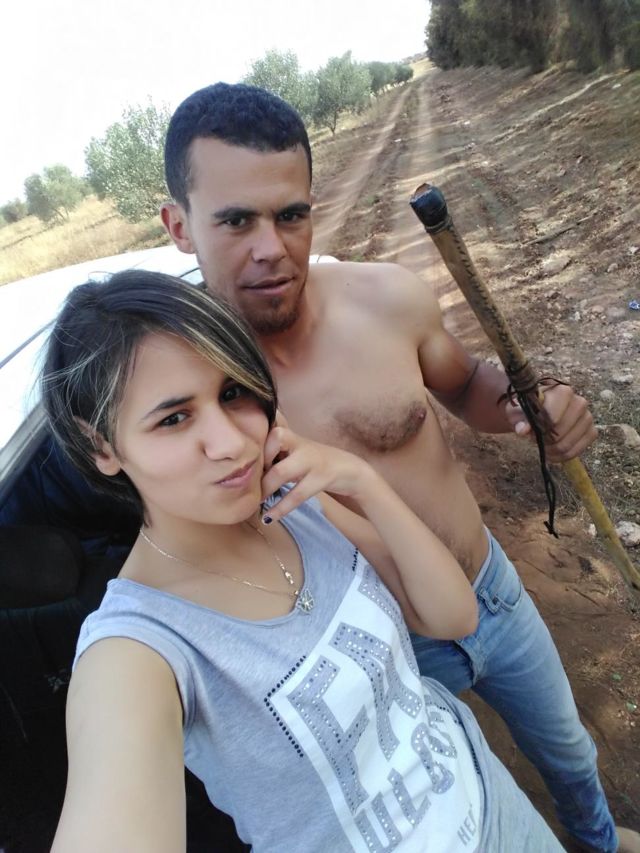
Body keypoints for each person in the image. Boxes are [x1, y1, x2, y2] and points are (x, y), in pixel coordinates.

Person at [159, 82, 640, 853]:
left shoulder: (385, 299)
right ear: (180, 226)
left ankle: (599, 839)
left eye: (290, 214)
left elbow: (466, 385)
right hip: (385, 649)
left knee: (570, 751)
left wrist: (534, 409)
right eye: (236, 220)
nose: (270, 247)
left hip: (489, 585)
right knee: (461, 803)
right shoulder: (194, 401)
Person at [44, 270, 565, 852]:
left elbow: (452, 615)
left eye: (233, 393)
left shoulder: (294, 507)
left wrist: (361, 480)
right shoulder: (138, 649)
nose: (231, 443)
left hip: (491, 799)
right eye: (173, 418)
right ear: (100, 446)